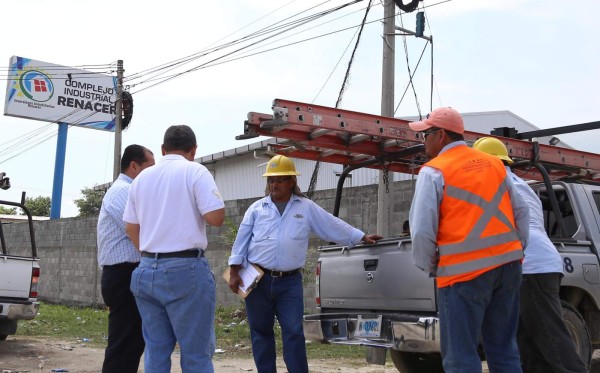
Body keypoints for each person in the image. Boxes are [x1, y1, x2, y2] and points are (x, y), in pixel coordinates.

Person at [227, 154, 381, 373]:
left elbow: (331, 224)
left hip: (289, 283)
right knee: (260, 332)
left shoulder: (305, 208)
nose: (274, 184)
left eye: (279, 180)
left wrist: (360, 237)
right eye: (271, 180)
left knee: (293, 332)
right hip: (258, 281)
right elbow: (240, 242)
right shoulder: (256, 209)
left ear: (291, 181)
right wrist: (234, 272)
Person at [408, 107, 530, 373]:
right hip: (509, 266)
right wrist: (517, 249)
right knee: (504, 350)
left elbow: (421, 231)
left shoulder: (434, 171)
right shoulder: (494, 163)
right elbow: (522, 211)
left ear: (440, 135)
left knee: (461, 358)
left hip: (463, 273)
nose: (423, 141)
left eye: (425, 134)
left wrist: (430, 266)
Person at [473, 136, 588, 373]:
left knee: (550, 337)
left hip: (530, 267)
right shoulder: (520, 184)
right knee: (527, 342)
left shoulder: (498, 183)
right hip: (538, 263)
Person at [123, 125, 225, 373]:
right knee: (196, 354)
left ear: (163, 149)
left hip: (146, 271)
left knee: (156, 350)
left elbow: (130, 227)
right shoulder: (195, 171)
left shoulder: (141, 179)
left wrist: (151, 255)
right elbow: (215, 217)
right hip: (186, 270)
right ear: (193, 150)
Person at [97, 144, 155, 373]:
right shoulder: (123, 191)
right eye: (149, 167)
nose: (153, 174)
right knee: (123, 343)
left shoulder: (132, 191)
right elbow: (138, 230)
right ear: (134, 166)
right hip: (122, 276)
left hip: (127, 274)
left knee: (132, 343)